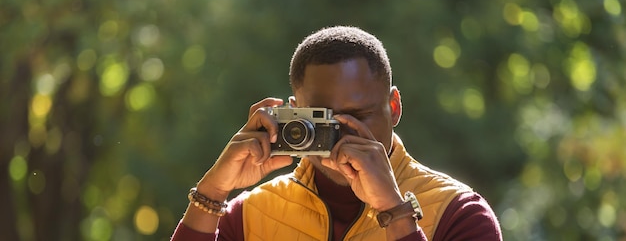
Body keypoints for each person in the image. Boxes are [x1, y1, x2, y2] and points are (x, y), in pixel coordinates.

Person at [171, 26, 502, 240]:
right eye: (324, 119)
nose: (342, 136)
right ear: (294, 111)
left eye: (358, 116)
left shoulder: (459, 213)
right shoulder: (250, 215)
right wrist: (213, 191)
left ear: (394, 107)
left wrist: (396, 212)